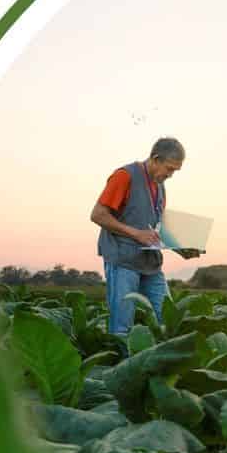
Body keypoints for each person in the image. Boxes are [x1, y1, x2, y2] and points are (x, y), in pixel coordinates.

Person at [90, 136, 201, 335]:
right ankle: (118, 365)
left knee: (167, 318)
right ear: (156, 159)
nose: (171, 175)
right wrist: (136, 233)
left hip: (150, 263)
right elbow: (98, 215)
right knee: (122, 326)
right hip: (123, 260)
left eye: (175, 170)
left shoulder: (160, 186)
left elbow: (154, 228)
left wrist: (179, 247)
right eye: (169, 168)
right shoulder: (125, 176)